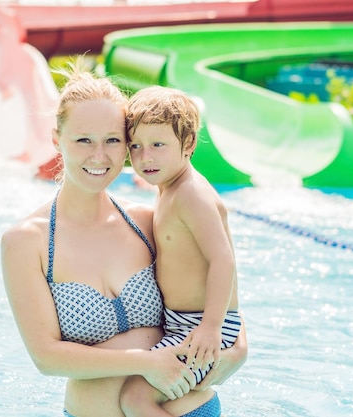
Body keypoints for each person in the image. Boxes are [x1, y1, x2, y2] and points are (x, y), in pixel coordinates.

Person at [0, 58, 248, 417]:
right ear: (57, 139)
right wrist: (148, 363)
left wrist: (239, 349)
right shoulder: (27, 242)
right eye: (83, 139)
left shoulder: (149, 221)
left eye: (113, 140)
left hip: (186, 409)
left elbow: (222, 284)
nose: (99, 155)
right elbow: (46, 358)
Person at [120, 85, 243, 417]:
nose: (145, 157)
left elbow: (223, 258)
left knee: (135, 398)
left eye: (159, 145)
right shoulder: (168, 189)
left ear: (188, 145)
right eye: (136, 146)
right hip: (183, 323)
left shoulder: (191, 194)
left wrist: (211, 327)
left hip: (200, 325)